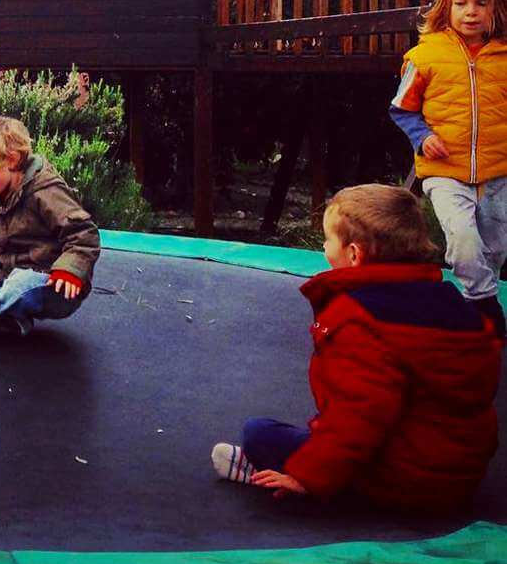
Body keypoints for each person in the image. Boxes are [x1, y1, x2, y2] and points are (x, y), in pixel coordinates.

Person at [211, 184, 502, 512]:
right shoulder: (454, 304)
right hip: (461, 474)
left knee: (259, 434)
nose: (323, 247)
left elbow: (362, 413)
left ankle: (295, 477)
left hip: (406, 479)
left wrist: (308, 476)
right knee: (333, 426)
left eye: (327, 240)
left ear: (353, 254)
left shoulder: (359, 320)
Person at [389, 0, 507, 337]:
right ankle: (484, 304)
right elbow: (401, 109)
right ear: (446, 7)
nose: (471, 12)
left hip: (497, 172)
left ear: (495, 8)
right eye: (461, 3)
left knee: (496, 250)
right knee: (463, 240)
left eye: (481, 3)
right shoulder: (425, 57)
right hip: (444, 171)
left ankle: (477, 296)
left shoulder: (504, 57)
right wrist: (423, 137)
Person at [0, 114, 100, 336]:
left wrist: (70, 271)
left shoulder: (46, 191)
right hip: (7, 283)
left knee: (22, 281)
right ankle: (9, 320)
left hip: (51, 284)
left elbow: (84, 233)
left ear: (11, 160)